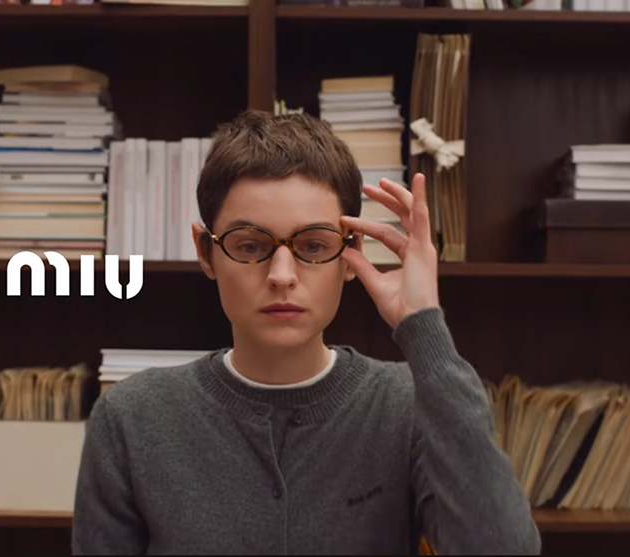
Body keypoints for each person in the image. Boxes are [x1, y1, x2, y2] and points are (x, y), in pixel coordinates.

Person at [71, 110, 541, 555]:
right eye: (250, 246)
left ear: (353, 254)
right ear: (205, 252)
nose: (282, 275)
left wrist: (423, 323)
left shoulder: (410, 404)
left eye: (313, 246)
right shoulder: (131, 418)